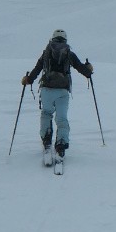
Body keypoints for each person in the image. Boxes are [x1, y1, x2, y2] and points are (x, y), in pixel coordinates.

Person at [21, 29, 93, 166]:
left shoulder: (46, 52)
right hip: (62, 91)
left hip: (47, 90)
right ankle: (61, 146)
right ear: (65, 40)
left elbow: (36, 70)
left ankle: (47, 141)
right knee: (62, 119)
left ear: (52, 38)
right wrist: (89, 70)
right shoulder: (69, 53)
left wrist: (28, 79)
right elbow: (82, 70)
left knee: (46, 114)